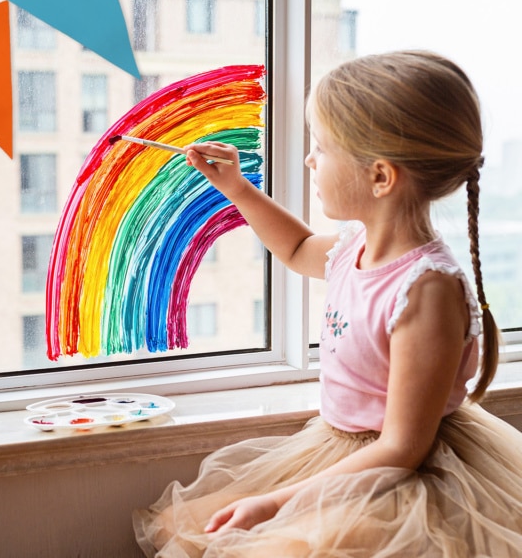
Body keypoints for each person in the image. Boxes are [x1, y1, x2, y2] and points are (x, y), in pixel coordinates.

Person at [133, 51, 522, 556]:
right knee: (176, 526)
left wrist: (274, 504)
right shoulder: (353, 248)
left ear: (380, 177)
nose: (310, 161)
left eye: (321, 148)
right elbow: (295, 249)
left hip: (395, 476)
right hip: (339, 450)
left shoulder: (427, 290)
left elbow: (401, 449)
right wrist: (237, 189)